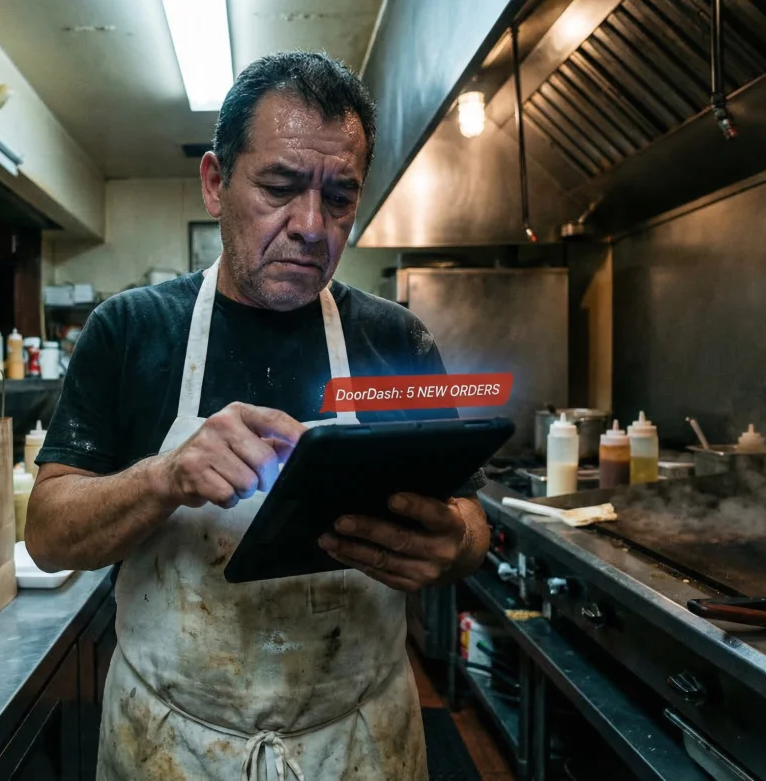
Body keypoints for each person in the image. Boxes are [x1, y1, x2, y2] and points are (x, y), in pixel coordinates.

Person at [27, 52, 491, 780]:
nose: (311, 225)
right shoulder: (131, 331)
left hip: (359, 743)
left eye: (339, 197)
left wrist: (454, 541)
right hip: (171, 745)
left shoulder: (397, 341)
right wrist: (164, 477)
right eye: (279, 187)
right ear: (216, 182)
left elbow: (469, 519)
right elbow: (49, 534)